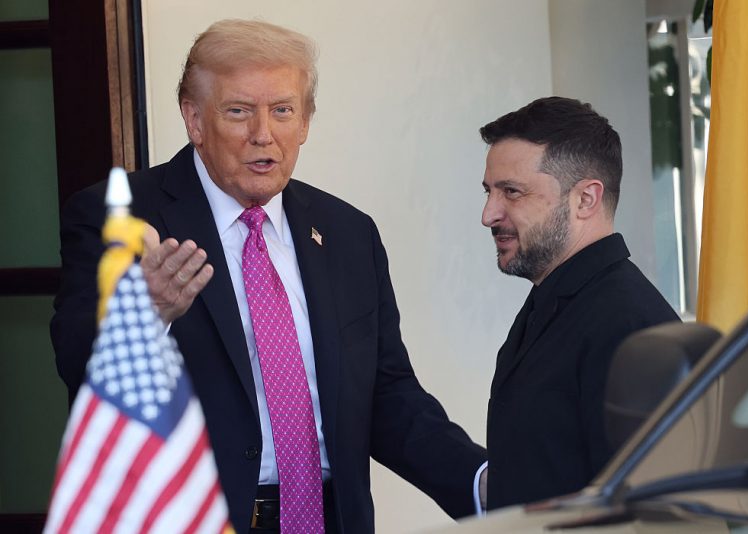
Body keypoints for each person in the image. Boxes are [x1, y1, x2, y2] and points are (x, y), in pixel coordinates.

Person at [51, 19, 486, 533]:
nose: (264, 134)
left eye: (283, 110)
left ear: (305, 123)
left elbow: (387, 395)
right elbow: (78, 368)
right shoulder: (122, 219)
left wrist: (482, 481)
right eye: (238, 111)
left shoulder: (348, 233)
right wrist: (144, 313)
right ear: (194, 119)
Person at [478, 97, 679, 510]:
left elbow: (648, 516)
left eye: (511, 192)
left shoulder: (628, 327)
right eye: (489, 192)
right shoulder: (559, 300)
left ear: (586, 199)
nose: (489, 214)